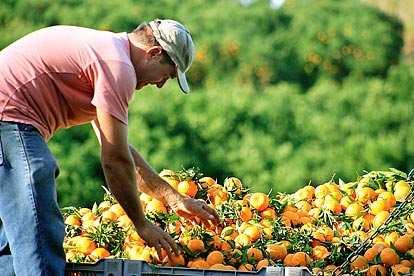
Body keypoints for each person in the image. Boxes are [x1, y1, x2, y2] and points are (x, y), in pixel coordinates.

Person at [0, 19, 219, 276]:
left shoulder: (108, 52)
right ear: (154, 53)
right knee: (37, 213)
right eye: (168, 75)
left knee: (12, 243)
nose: (161, 84)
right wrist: (141, 224)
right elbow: (114, 160)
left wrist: (174, 198)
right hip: (9, 116)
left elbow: (120, 150)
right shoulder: (118, 66)